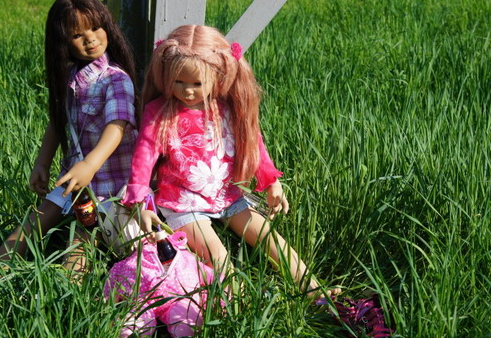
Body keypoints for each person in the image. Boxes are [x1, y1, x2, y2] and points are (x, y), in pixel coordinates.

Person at [122, 25, 340, 298]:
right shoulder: (159, 112)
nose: (187, 91)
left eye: (197, 84)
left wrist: (271, 182)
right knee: (217, 255)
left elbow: (253, 143)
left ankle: (313, 290)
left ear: (218, 77)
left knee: (270, 238)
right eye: (178, 82)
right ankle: (241, 304)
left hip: (227, 196)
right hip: (183, 202)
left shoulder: (225, 109)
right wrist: (141, 201)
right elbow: (144, 155)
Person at [0, 0, 138, 275]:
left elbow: (118, 125)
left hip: (110, 186)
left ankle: (65, 292)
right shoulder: (72, 77)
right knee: (33, 222)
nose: (90, 39)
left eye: (95, 28)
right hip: (75, 178)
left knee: (81, 240)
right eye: (77, 35)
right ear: (62, 41)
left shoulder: (115, 79)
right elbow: (58, 122)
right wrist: (43, 163)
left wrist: (90, 165)